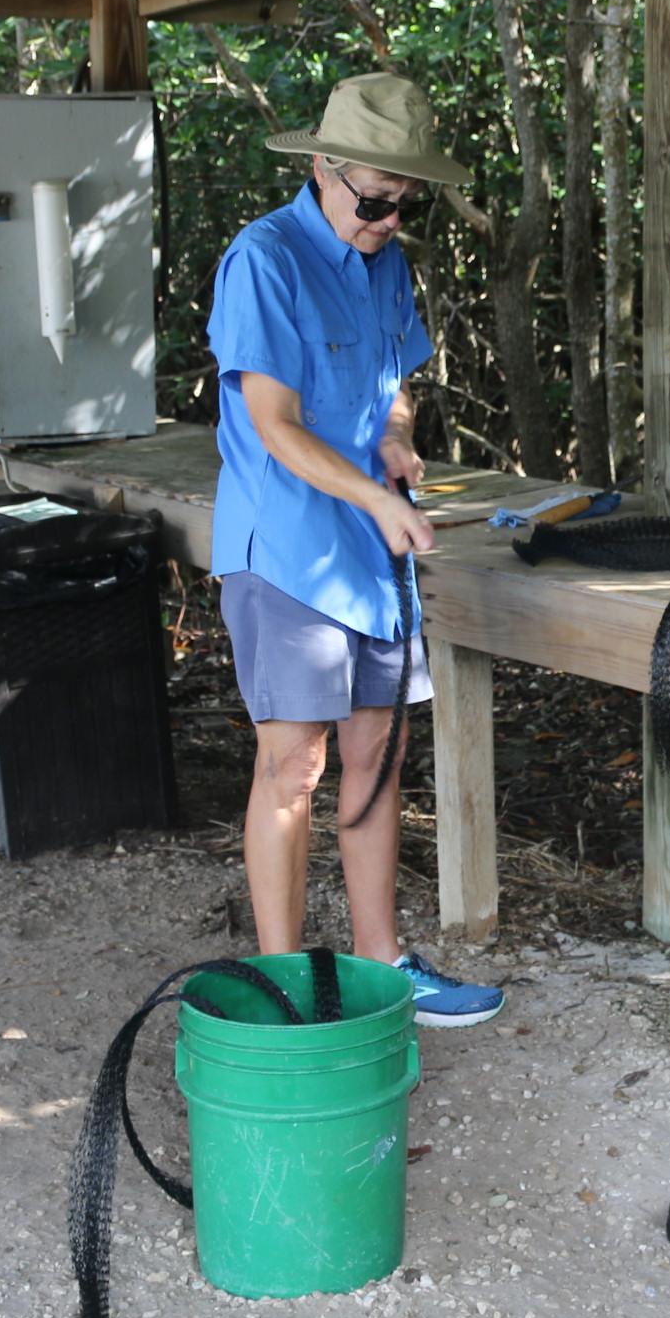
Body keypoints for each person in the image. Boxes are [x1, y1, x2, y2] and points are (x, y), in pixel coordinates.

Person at [206, 73, 504, 1030]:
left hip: (372, 553)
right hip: (290, 549)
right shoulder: (264, 260)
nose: (388, 220)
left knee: (377, 757)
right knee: (293, 768)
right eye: (374, 201)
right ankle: (284, 984)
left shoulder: (386, 260)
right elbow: (275, 425)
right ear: (324, 169)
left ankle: (385, 965)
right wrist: (375, 495)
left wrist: (395, 438)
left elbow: (392, 383)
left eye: (405, 203)